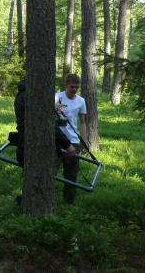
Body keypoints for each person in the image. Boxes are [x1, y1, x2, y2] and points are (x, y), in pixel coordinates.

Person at [14, 79, 75, 205]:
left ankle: (29, 204)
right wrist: (67, 144)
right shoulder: (33, 96)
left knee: (32, 179)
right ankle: (33, 206)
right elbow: (46, 124)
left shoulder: (23, 94)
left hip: (26, 144)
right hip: (33, 147)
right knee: (37, 181)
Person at [54, 74, 87, 204]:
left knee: (72, 175)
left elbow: (82, 123)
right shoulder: (57, 97)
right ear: (66, 85)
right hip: (57, 140)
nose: (74, 89)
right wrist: (54, 110)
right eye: (72, 87)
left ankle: (69, 203)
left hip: (73, 141)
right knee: (52, 170)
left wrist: (84, 143)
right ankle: (48, 200)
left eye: (76, 87)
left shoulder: (81, 101)